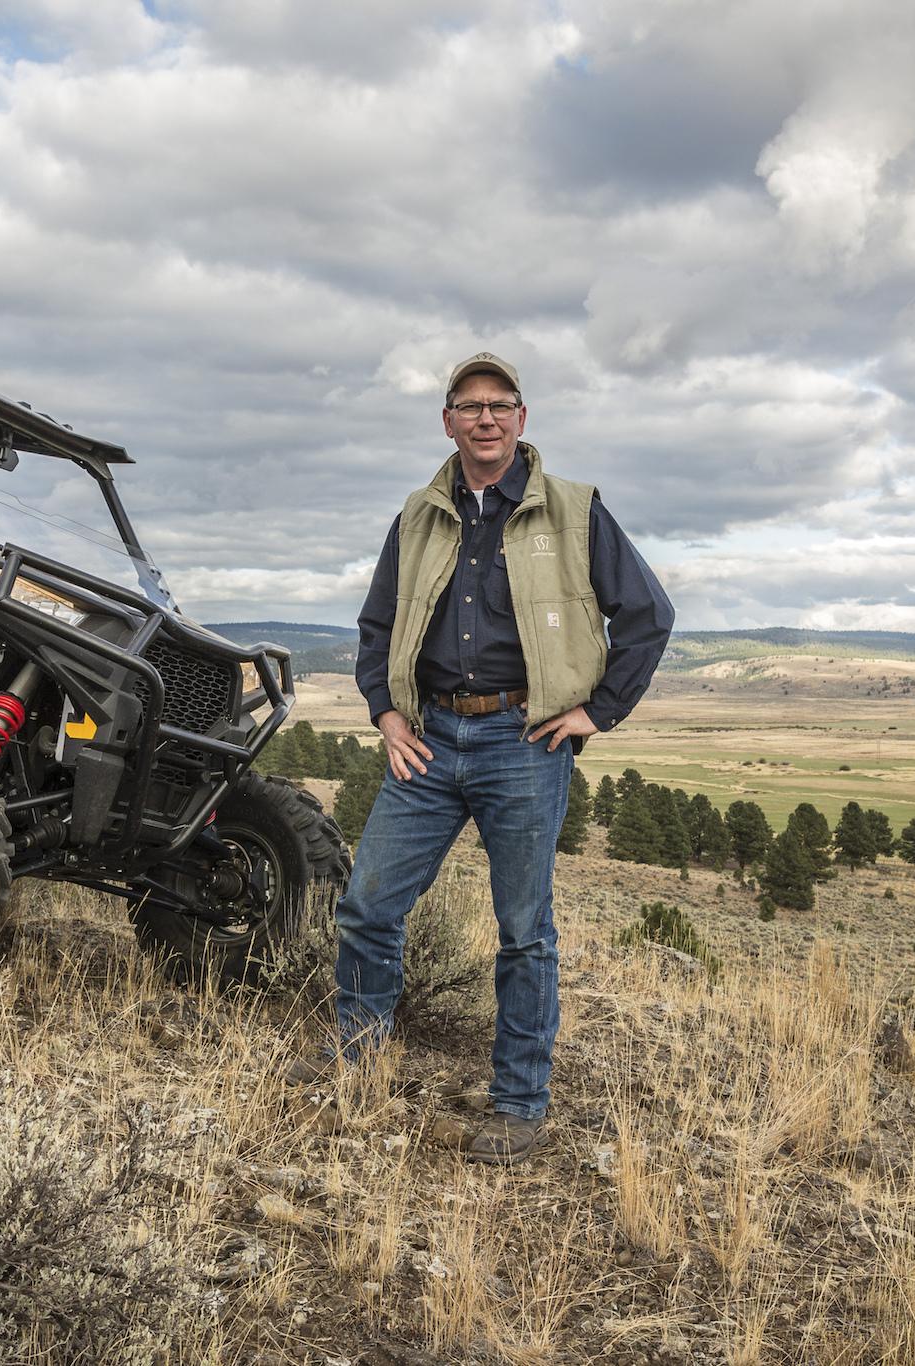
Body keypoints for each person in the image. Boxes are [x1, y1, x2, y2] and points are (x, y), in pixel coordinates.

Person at [290, 351, 674, 1164]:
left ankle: (518, 1102)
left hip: (522, 743)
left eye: (501, 405)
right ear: (448, 421)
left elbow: (647, 615)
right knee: (367, 905)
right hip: (428, 739)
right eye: (470, 406)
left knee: (524, 931)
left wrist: (597, 713)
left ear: (522, 420)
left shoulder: (574, 511)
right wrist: (387, 713)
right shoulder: (420, 514)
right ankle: (359, 1060)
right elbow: (375, 626)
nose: (486, 418)